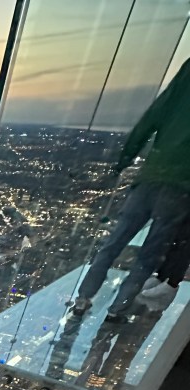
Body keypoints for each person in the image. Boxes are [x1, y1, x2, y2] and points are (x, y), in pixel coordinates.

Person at [72, 58, 190, 321]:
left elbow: (151, 118)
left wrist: (124, 161)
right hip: (181, 189)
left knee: (114, 242)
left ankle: (83, 299)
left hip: (150, 177)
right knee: (149, 255)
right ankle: (117, 310)